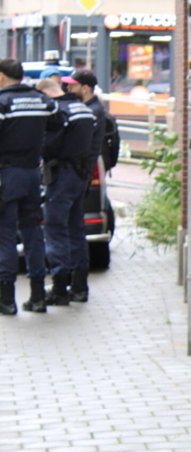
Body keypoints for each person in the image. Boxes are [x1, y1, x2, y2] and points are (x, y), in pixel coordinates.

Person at [0, 58, 58, 314]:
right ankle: (38, 296)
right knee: (34, 235)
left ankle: (7, 299)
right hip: (32, 175)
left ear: (1, 78)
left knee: (5, 236)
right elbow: (59, 122)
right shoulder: (42, 100)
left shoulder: (2, 102)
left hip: (6, 176)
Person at [36, 77, 95, 306]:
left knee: (55, 230)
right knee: (76, 230)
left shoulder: (58, 112)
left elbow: (49, 145)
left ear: (46, 94)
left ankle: (60, 288)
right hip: (79, 175)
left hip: (61, 175)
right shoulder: (84, 109)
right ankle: (80, 287)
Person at [61, 69, 106, 302]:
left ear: (85, 88)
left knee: (73, 231)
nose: (68, 89)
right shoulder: (93, 110)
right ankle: (76, 284)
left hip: (78, 176)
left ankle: (77, 285)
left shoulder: (92, 113)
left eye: (72, 86)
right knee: (74, 231)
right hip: (82, 175)